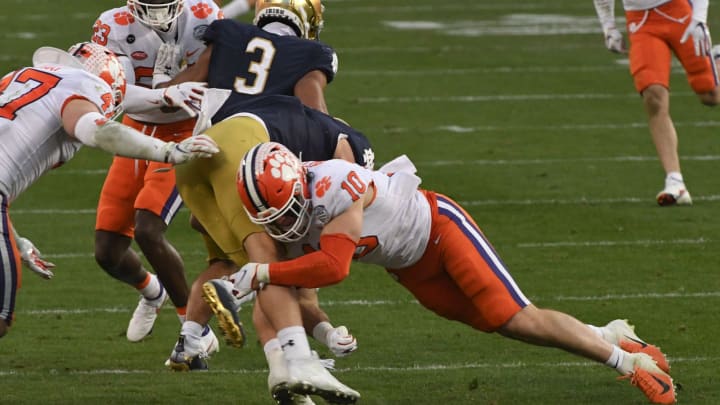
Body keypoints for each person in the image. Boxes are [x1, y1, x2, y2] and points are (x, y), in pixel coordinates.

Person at [206, 141, 678, 404]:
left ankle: (630, 365)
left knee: (517, 316)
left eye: (290, 211)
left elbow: (332, 266)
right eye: (276, 217)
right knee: (505, 326)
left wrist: (259, 274)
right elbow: (300, 294)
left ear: (300, 183)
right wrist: (325, 332)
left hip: (441, 230)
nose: (287, 224)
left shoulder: (331, 184)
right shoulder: (279, 214)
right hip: (410, 268)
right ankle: (611, 334)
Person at [163, 0, 366, 380]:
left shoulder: (228, 32)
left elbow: (176, 93)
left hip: (195, 154)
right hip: (249, 157)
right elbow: (315, 113)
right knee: (271, 262)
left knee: (226, 259)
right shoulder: (311, 53)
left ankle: (189, 342)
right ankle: (294, 359)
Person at [0, 42, 218, 339]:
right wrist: (169, 151)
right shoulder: (84, 86)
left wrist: (15, 238)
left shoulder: (23, 77)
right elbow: (96, 130)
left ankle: (154, 294)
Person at [168, 95, 371, 404]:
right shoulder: (345, 148)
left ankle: (266, 360)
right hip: (236, 152)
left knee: (260, 270)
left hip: (194, 159)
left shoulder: (309, 126)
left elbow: (198, 221)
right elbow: (346, 183)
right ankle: (298, 362)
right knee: (270, 269)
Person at [90, 0, 223, 344]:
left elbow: (222, 72)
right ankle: (152, 292)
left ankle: (193, 327)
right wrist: (166, 94)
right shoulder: (113, 24)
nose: (158, 10)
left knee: (149, 229)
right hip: (137, 133)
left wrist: (176, 91)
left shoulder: (204, 13)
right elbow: (117, 95)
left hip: (185, 133)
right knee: (107, 249)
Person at [593, 0, 717, 206]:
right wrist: (609, 27)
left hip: (679, 11)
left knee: (710, 95)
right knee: (653, 95)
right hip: (641, 21)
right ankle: (675, 181)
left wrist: (699, 18)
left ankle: (717, 59)